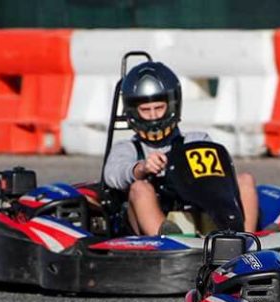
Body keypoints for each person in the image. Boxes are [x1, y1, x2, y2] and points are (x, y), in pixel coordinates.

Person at [103, 61, 259, 235]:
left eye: (159, 108)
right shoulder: (127, 148)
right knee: (140, 188)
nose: (153, 116)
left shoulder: (197, 139)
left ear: (172, 105)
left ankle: (245, 239)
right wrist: (143, 168)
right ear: (133, 112)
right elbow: (112, 176)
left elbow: (221, 177)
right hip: (149, 233)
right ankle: (167, 238)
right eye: (146, 110)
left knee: (245, 179)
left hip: (201, 213)